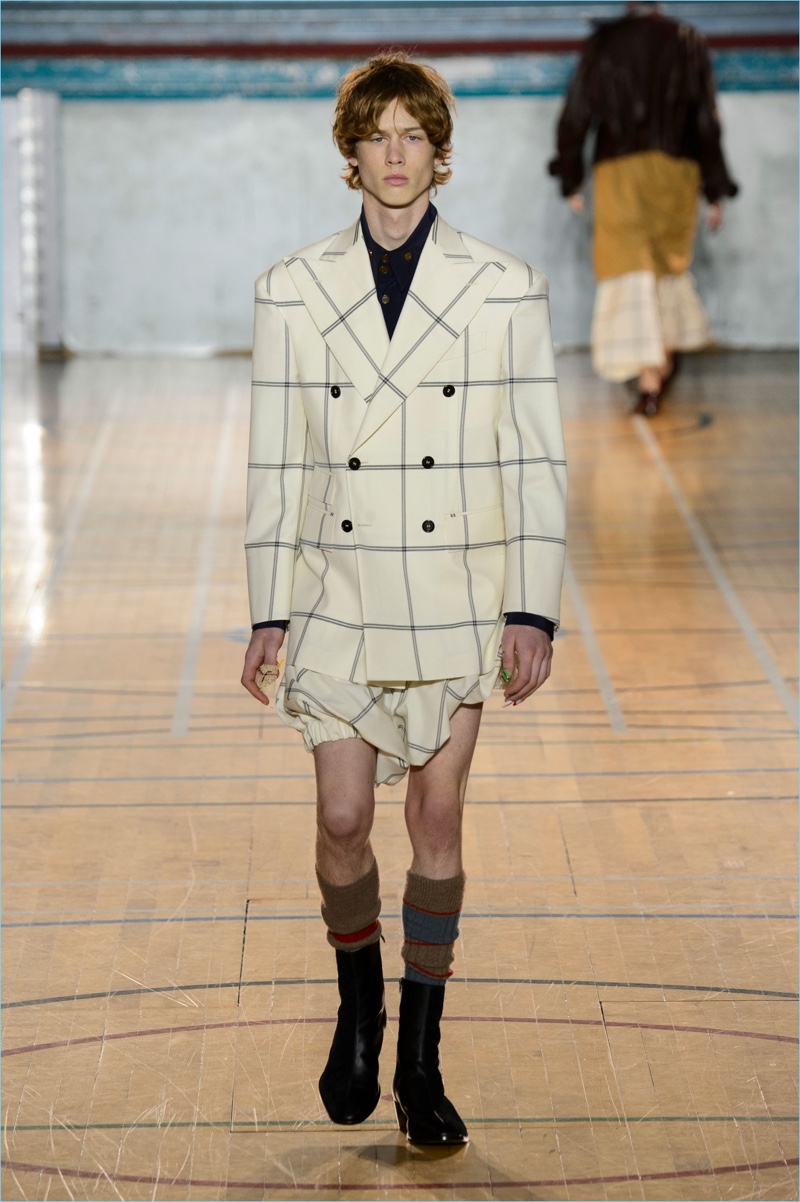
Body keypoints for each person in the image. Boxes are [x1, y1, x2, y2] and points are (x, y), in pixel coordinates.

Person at [241, 52, 567, 1146]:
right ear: (350, 151)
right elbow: (276, 462)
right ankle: (358, 1008)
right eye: (375, 135)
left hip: (454, 586)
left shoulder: (505, 285)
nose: (394, 154)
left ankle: (419, 1060)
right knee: (342, 818)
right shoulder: (290, 287)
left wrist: (531, 608)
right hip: (336, 586)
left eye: (412, 135)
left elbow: (534, 459)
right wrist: (267, 608)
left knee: (436, 818)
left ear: (438, 150)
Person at [548, 1, 739, 414]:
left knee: (629, 268)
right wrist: (715, 189)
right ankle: (661, 366)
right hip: (677, 170)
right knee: (667, 269)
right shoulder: (687, 40)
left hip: (620, 169)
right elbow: (705, 119)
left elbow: (577, 112)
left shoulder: (604, 41)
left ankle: (648, 380)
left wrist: (570, 176)